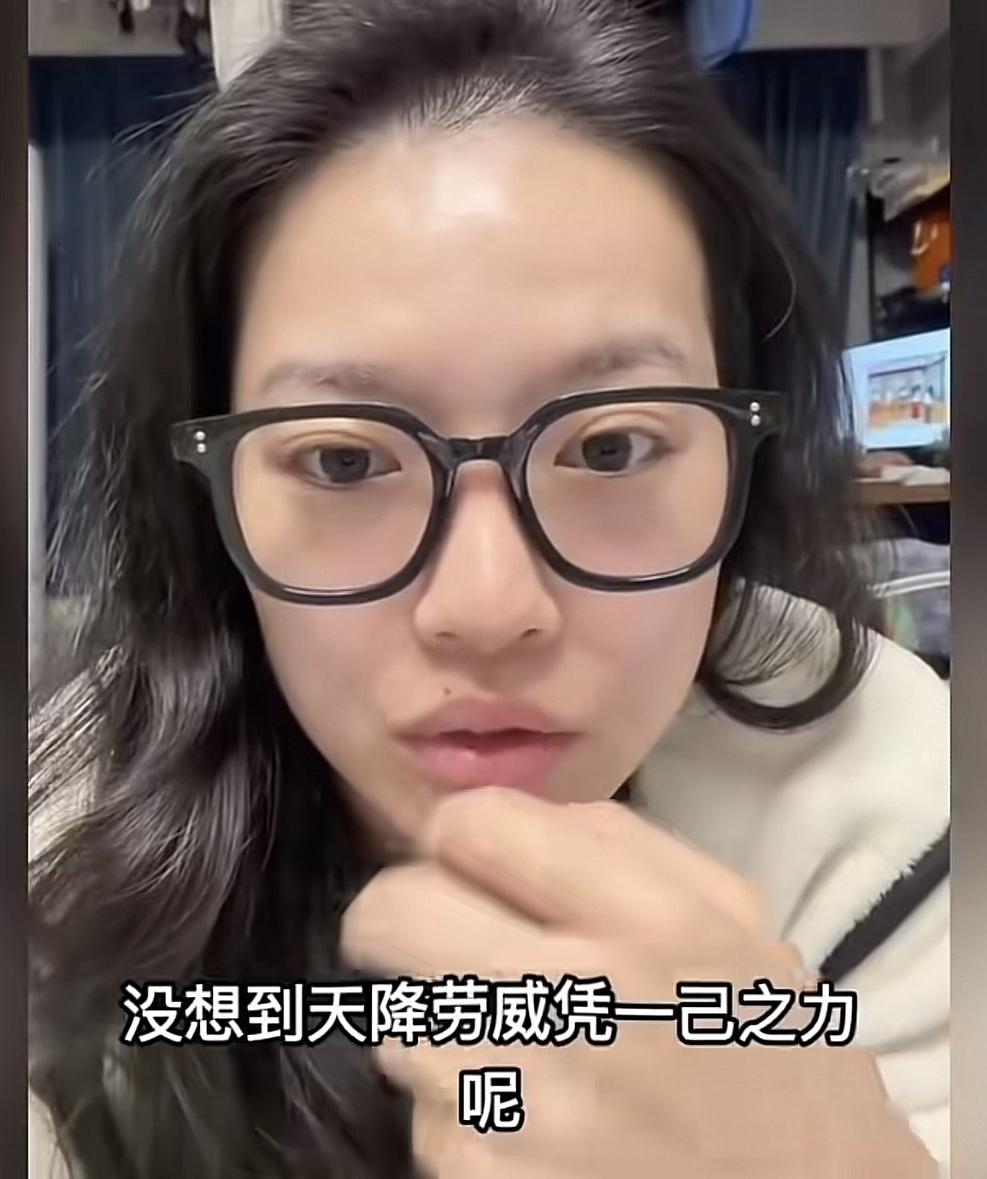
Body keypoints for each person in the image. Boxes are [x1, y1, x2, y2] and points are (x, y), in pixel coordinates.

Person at [29, 2, 949, 1177]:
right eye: (344, 461)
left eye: (611, 447)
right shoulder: (58, 859)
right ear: (209, 503)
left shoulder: (903, 803)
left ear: (746, 460)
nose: (486, 605)